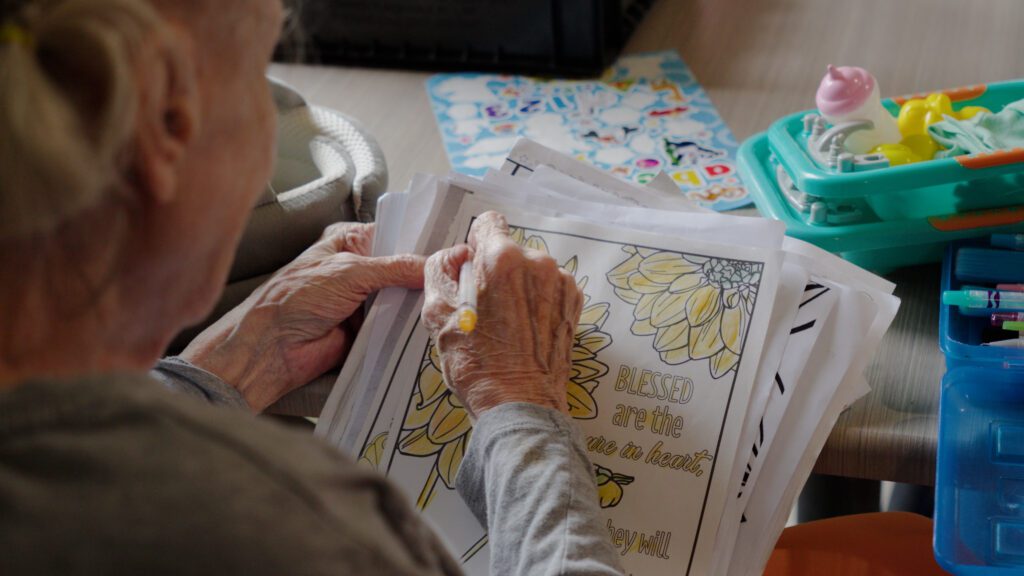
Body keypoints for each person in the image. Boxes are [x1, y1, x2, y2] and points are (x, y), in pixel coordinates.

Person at [0, 0, 624, 574]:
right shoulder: (302, 530)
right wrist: (517, 403)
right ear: (169, 125)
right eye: (256, 79)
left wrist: (228, 367)